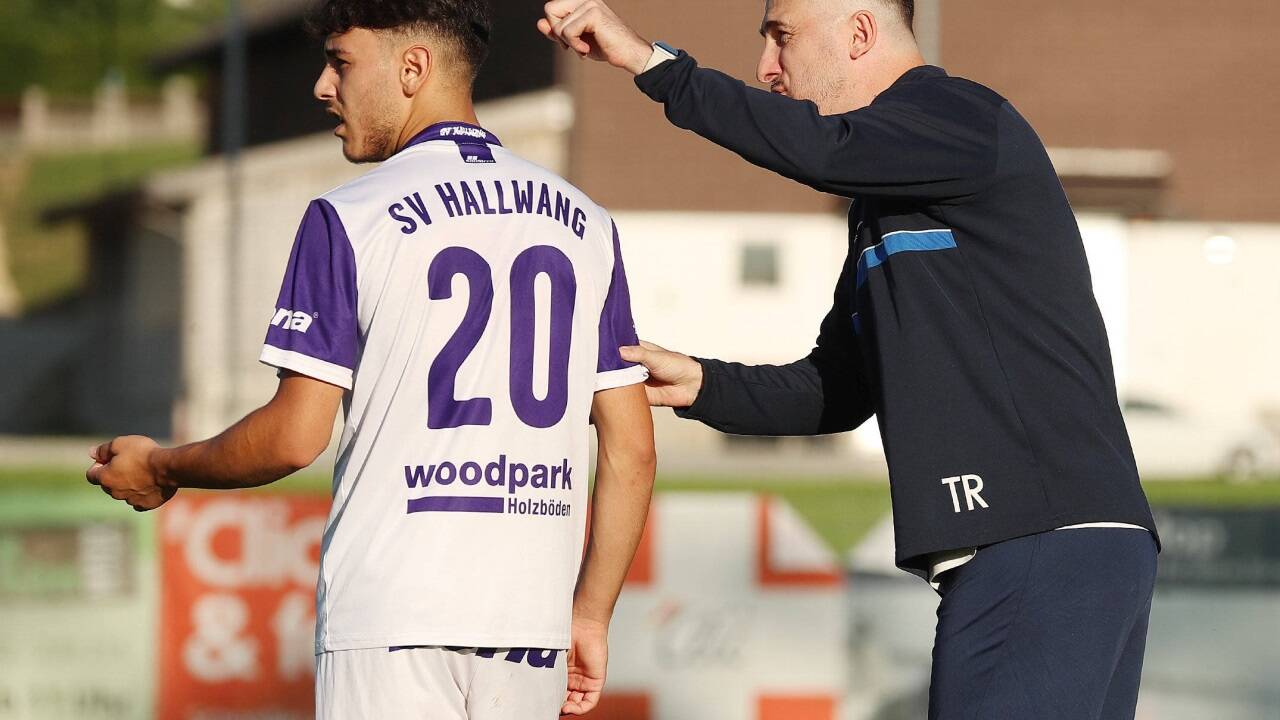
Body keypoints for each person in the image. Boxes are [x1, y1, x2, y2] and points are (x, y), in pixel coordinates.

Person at [539, 0, 1159, 718]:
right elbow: (838, 388)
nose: (767, 68)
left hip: (1040, 539)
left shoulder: (958, 114)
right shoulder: (890, 192)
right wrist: (704, 384)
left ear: (860, 33)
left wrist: (652, 65)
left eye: (783, 38)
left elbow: (816, 149)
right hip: (1043, 549)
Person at [86, 1, 657, 717]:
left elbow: (295, 437)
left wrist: (164, 468)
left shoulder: (349, 215)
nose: (324, 86)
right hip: (530, 625)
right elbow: (631, 449)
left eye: (342, 62)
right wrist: (591, 613)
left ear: (412, 67)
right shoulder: (585, 221)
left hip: (392, 619)